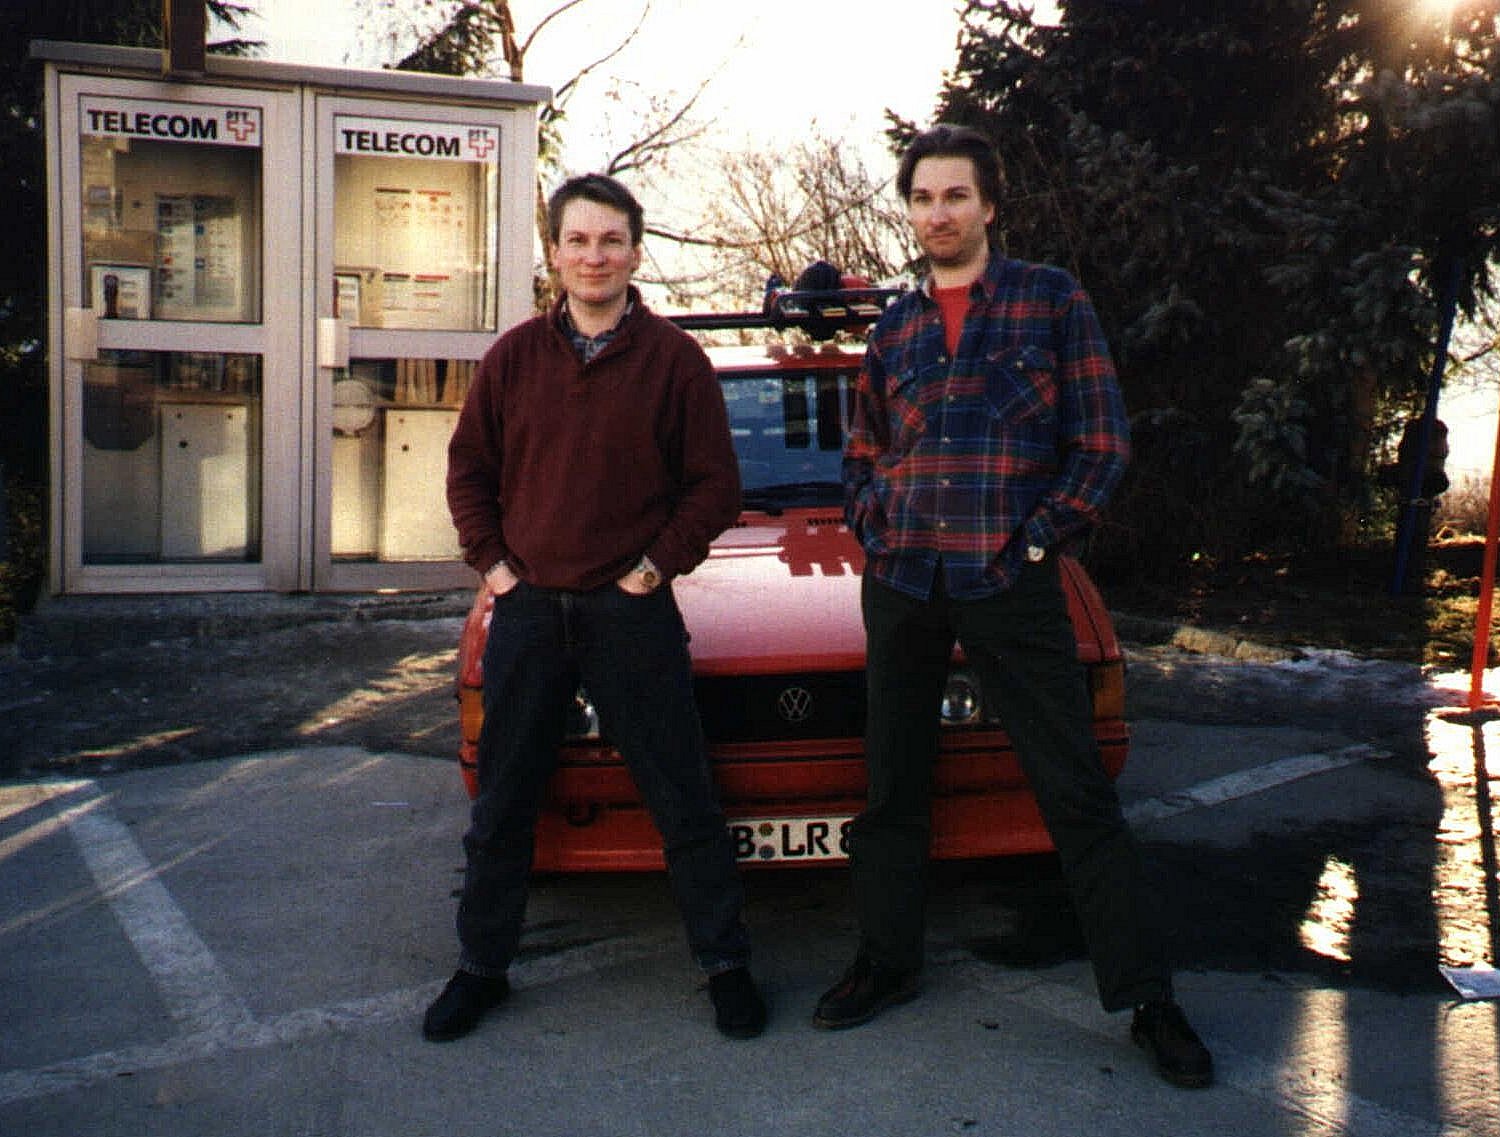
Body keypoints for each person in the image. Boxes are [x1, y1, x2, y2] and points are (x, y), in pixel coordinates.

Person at [815, 125, 1213, 1089]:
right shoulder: (897, 328)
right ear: (907, 213)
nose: (937, 214)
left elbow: (1103, 444)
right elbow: (862, 451)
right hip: (905, 583)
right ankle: (886, 959)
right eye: (921, 199)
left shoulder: (1049, 300)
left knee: (1075, 792)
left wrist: (1036, 539)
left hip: (1008, 582)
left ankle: (1148, 998)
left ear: (990, 206)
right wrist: (874, 525)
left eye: (956, 197)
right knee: (891, 784)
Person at [431, 173, 765, 1043]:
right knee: (503, 803)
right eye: (577, 242)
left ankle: (726, 966)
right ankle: (480, 969)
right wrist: (496, 569)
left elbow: (713, 488)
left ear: (635, 252)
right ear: (553, 254)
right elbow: (468, 473)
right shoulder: (512, 359)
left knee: (683, 798)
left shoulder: (674, 363)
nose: (593, 257)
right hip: (532, 611)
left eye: (610, 241)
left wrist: (653, 572)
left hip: (631, 614)